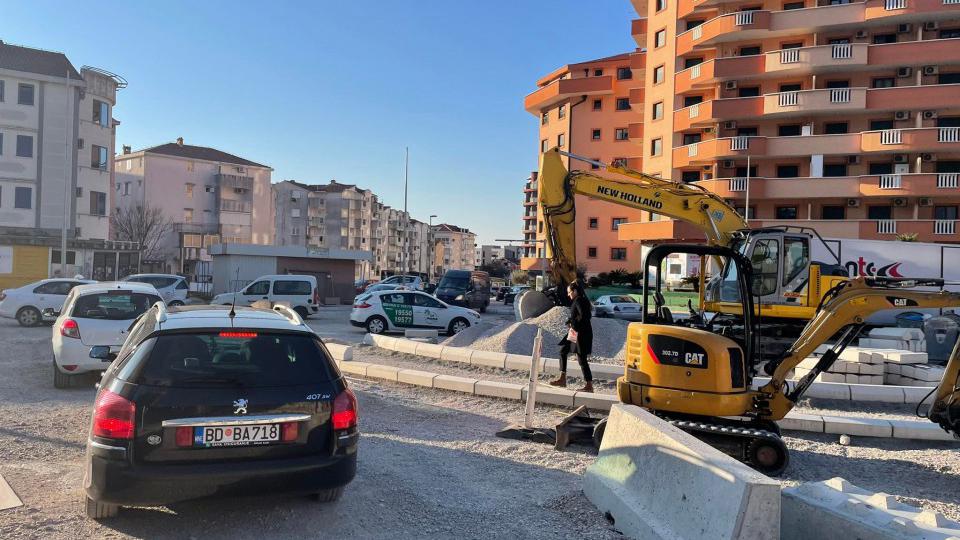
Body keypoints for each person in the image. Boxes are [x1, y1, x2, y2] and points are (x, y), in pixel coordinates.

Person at [549, 280, 594, 393]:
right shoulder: (579, 300)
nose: (568, 295)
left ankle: (589, 385)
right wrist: (570, 321)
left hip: (581, 334)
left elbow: (586, 316)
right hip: (576, 332)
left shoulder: (579, 300)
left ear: (575, 291)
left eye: (569, 292)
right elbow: (578, 315)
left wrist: (573, 324)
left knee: (581, 359)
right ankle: (563, 378)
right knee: (563, 351)